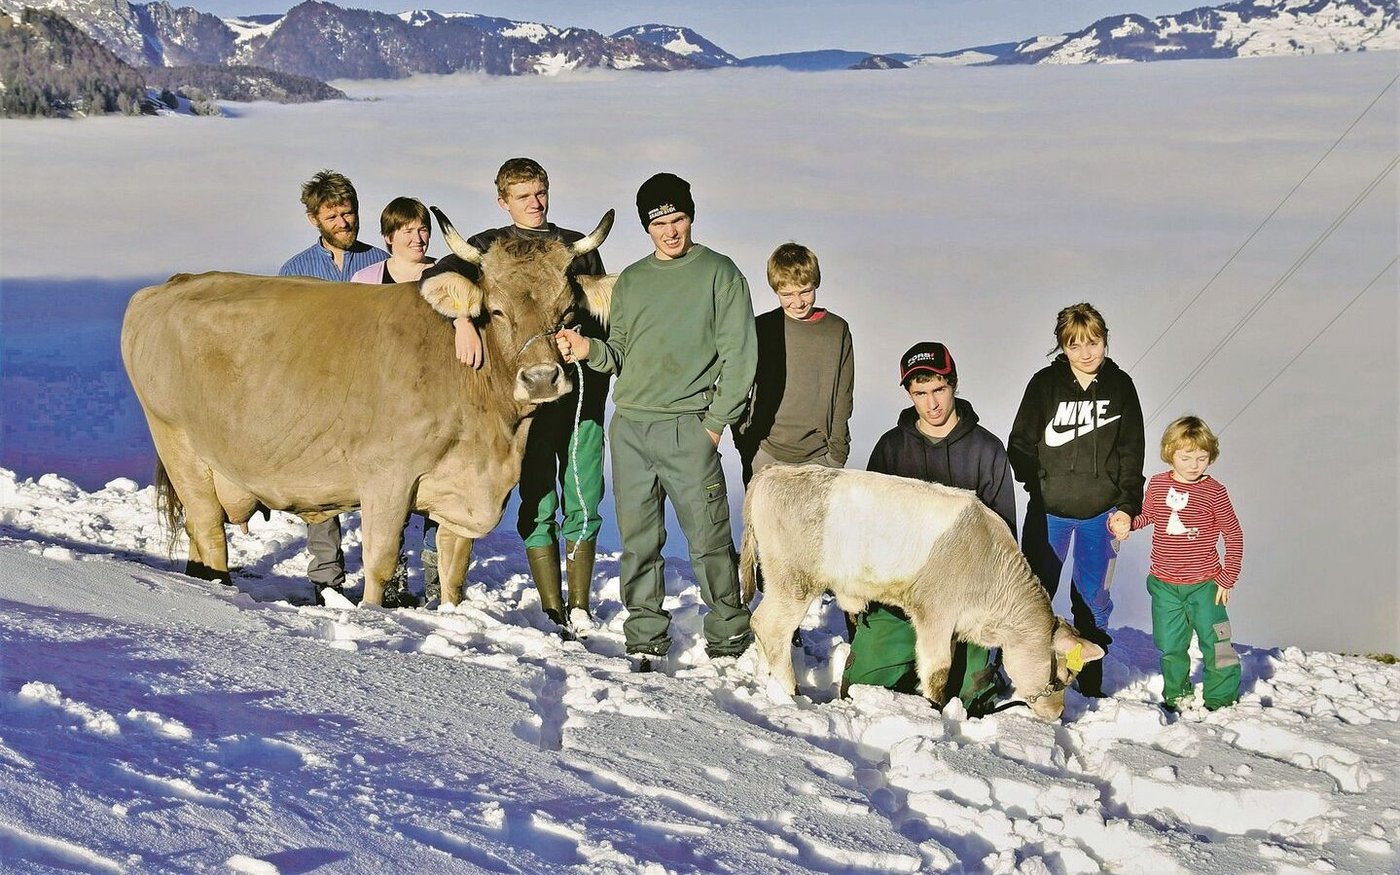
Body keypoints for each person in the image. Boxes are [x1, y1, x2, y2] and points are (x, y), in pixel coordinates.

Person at [554, 172, 755, 669]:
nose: (670, 230)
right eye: (659, 222)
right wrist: (587, 350)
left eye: (677, 218)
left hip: (689, 425)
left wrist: (714, 424)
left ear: (691, 216)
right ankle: (645, 636)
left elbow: (741, 357)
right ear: (647, 227)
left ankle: (729, 638)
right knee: (638, 543)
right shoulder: (634, 281)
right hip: (631, 429)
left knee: (709, 540)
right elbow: (620, 352)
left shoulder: (720, 274)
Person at [420, 158, 607, 631]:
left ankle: (580, 606)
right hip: (519, 398)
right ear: (503, 202)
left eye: (540, 192)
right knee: (537, 492)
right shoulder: (484, 248)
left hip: (577, 387)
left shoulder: (576, 249)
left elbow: (602, 310)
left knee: (584, 491)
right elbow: (433, 283)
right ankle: (551, 604)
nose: (535, 203)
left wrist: (585, 344)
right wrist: (463, 319)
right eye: (523, 196)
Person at [842, 342, 1016, 715]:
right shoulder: (891, 448)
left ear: (954, 384)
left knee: (972, 699)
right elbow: (868, 527)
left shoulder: (988, 450)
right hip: (903, 594)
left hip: (967, 598)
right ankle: (893, 656)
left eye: (939, 389)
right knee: (862, 693)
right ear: (908, 393)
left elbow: (1004, 540)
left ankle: (982, 668)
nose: (931, 403)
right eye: (919, 393)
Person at [1008, 302, 1144, 697]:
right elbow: (1020, 443)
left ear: (1105, 341)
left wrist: (1127, 506)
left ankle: (1085, 676)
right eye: (1075, 345)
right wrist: (1040, 485)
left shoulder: (1121, 387)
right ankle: (1027, 673)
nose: (1086, 353)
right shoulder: (1043, 385)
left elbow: (1132, 453)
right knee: (1034, 594)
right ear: (1061, 347)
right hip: (1049, 513)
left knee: (1092, 598)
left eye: (1094, 342)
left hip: (1100, 515)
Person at [278, 170, 388, 604]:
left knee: (382, 485)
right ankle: (326, 579)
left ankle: (387, 574)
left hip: (375, 392)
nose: (344, 223)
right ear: (313, 220)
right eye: (333, 216)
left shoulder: (380, 263)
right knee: (321, 488)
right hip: (317, 392)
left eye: (349, 213)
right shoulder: (295, 271)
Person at [1109, 416, 1244, 711]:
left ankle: (1221, 697)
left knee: (1217, 643)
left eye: (1202, 457)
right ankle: (1177, 693)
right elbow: (1148, 516)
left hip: (1206, 585)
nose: (1195, 464)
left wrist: (1227, 577)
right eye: (1186, 457)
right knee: (1170, 644)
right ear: (1170, 453)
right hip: (1165, 585)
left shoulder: (1214, 492)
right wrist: (1127, 522)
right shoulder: (1158, 485)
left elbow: (1233, 534)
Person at [350, 196, 437, 608]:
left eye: (422, 230)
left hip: (434, 399)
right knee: (392, 491)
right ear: (389, 238)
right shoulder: (367, 280)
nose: (418, 238)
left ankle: (439, 582)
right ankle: (395, 578)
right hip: (382, 403)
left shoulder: (446, 274)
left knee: (439, 493)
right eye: (408, 231)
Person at [736, 242, 854, 484]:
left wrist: (837, 455)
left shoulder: (836, 330)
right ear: (775, 290)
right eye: (787, 294)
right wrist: (745, 442)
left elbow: (843, 395)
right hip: (765, 456)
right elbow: (735, 385)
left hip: (820, 459)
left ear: (816, 283)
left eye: (805, 291)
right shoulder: (762, 329)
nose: (798, 302)